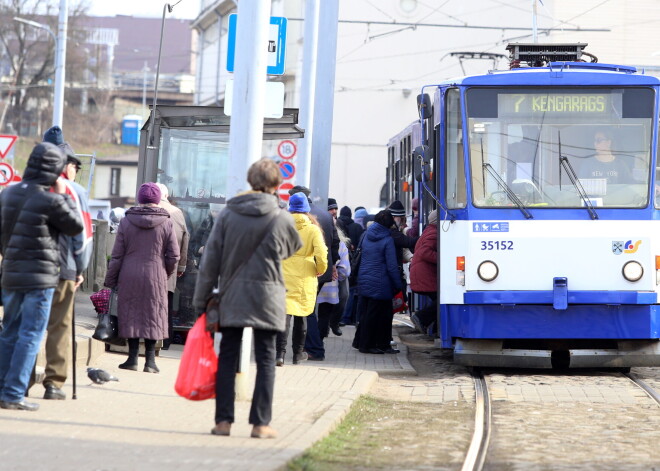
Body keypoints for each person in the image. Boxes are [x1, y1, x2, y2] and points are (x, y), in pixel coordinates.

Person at [194, 158, 301, 439]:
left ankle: (223, 422)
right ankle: (260, 424)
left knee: (227, 356)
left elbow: (210, 261)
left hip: (232, 295)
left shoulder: (229, 214)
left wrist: (200, 300)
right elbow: (292, 249)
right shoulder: (281, 217)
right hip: (268, 296)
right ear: (277, 185)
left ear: (250, 182)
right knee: (266, 358)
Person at [0, 142, 83, 411]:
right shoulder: (50, 199)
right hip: (41, 277)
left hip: (11, 274)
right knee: (31, 333)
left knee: (9, 331)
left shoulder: (8, 194)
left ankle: (3, 388)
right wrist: (65, 196)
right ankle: (13, 393)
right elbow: (75, 226)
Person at [28, 127, 94, 400]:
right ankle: (54, 383)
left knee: (27, 325)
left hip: (28, 269)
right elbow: (84, 235)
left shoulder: (22, 187)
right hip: (64, 268)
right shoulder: (75, 191)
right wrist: (80, 268)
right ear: (66, 164)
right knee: (60, 326)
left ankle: (23, 378)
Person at [104, 183, 180, 374]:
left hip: (129, 273)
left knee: (131, 313)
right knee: (153, 314)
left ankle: (132, 358)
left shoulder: (126, 221)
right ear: (157, 200)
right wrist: (166, 272)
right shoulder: (166, 221)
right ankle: (151, 362)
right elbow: (174, 256)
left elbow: (117, 255)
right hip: (156, 273)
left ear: (140, 198)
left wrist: (110, 279)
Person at [276, 192, 328, 366]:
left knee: (284, 315)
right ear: (306, 209)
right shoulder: (313, 229)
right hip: (305, 276)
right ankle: (297, 355)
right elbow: (321, 254)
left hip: (284, 273)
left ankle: (280, 355)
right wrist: (321, 269)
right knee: (302, 315)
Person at [354, 210, 401, 354]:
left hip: (364, 279)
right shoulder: (387, 239)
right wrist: (398, 285)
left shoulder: (366, 234)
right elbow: (392, 266)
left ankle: (360, 342)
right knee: (382, 316)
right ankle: (371, 345)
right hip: (381, 283)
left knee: (367, 313)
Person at [156, 183, 189, 350]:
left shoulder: (142, 209)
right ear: (167, 196)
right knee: (166, 304)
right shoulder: (177, 213)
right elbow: (185, 240)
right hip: (170, 266)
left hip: (146, 267)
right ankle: (166, 341)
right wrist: (181, 267)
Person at [409, 210, 438, 335]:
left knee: (438, 300)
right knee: (441, 301)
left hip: (421, 274)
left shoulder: (428, 231)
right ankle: (421, 318)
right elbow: (425, 252)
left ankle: (436, 329)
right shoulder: (435, 233)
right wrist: (442, 259)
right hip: (425, 276)